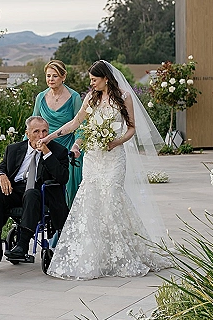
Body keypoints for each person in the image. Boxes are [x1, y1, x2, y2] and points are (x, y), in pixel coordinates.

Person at [41, 60, 171, 279]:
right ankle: (96, 256)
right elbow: (74, 123)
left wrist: (116, 142)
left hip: (114, 157)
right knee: (91, 203)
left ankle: (123, 254)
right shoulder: (90, 98)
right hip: (93, 158)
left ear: (106, 79)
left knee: (112, 199)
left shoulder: (124, 97)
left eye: (94, 80)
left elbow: (131, 129)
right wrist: (50, 137)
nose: (91, 84)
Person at [0, 116, 70, 262]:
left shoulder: (58, 151)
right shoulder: (13, 149)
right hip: (16, 190)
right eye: (36, 131)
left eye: (45, 131)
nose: (42, 136)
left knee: (31, 193)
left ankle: (23, 245)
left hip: (41, 193)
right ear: (27, 133)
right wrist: (1, 175)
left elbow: (62, 177)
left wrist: (46, 153)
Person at [33, 60, 84, 206]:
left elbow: (80, 126)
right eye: (48, 76)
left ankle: (68, 221)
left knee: (68, 187)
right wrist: (27, 146)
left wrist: (76, 147)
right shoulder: (40, 97)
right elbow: (33, 124)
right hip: (45, 147)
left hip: (68, 147)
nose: (50, 79)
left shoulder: (74, 98)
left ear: (63, 77)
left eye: (55, 76)